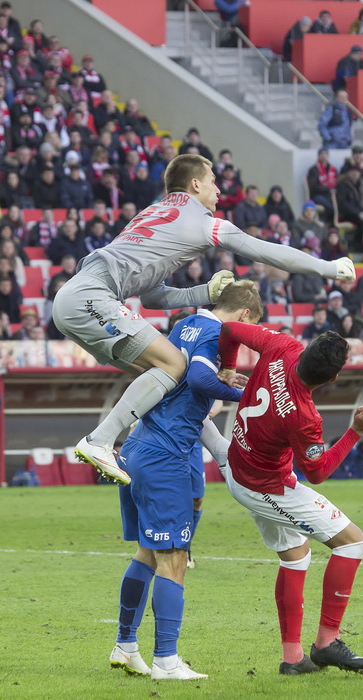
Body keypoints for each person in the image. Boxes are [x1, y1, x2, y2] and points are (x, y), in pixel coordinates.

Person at [52, 154, 356, 483]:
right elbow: (268, 251)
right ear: (195, 184)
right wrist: (329, 268)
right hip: (92, 297)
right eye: (212, 180)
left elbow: (153, 296)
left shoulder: (152, 214)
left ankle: (221, 451)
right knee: (174, 365)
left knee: (172, 379)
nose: (218, 189)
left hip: (74, 297)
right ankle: (100, 440)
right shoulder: (202, 221)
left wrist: (206, 293)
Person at [110, 281, 262, 680]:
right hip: (166, 454)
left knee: (147, 552)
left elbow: (189, 375)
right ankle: (166, 660)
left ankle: (126, 645)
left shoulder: (188, 323)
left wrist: (228, 380)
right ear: (244, 317)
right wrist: (241, 394)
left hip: (138, 445)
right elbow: (197, 380)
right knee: (174, 558)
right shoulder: (215, 333)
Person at [218, 323, 363, 674]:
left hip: (239, 466)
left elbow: (230, 328)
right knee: (352, 543)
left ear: (306, 348)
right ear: (333, 378)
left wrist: (228, 367)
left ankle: (293, 659)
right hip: (265, 486)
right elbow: (319, 472)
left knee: (295, 557)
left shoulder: (280, 345)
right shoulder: (304, 415)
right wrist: (356, 432)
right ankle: (327, 642)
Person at [306, 148, 337, 223]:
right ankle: (327, 224)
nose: (324, 156)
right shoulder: (314, 170)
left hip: (331, 195)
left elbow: (337, 183)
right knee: (330, 208)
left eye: (325, 154)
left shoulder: (333, 169)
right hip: (318, 195)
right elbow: (313, 187)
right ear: (318, 156)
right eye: (322, 154)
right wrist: (328, 189)